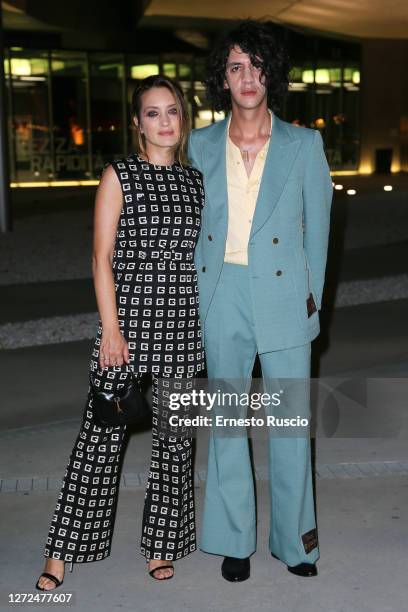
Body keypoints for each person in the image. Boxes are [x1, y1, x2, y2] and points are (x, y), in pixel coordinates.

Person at [36, 75, 205, 589]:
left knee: (175, 444)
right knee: (99, 440)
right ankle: (61, 552)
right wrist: (111, 330)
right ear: (137, 123)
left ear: (184, 117)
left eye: (172, 110)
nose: (164, 121)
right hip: (127, 328)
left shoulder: (197, 181)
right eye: (152, 113)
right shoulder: (120, 174)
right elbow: (101, 258)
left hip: (183, 328)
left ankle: (162, 544)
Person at [188, 20, 333, 581]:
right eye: (235, 66)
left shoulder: (303, 143)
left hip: (282, 298)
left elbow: (319, 234)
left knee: (291, 425)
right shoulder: (200, 144)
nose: (248, 77)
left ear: (273, 73)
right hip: (223, 294)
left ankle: (297, 543)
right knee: (227, 422)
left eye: (257, 65)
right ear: (222, 79)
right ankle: (233, 539)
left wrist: (310, 302)